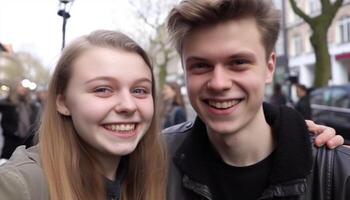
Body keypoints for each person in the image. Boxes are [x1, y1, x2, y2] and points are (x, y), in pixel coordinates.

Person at [165, 0, 350, 199]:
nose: (219, 83)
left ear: (269, 67)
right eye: (200, 65)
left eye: (238, 62)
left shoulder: (337, 174)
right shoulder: (156, 158)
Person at [0, 30, 167, 200]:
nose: (129, 105)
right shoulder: (20, 186)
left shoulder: (158, 176)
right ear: (63, 102)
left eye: (140, 90)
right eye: (103, 89)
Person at [0, 80, 39, 159]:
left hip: (26, 140)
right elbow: (4, 123)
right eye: (20, 86)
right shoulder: (8, 103)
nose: (23, 89)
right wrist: (14, 132)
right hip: (11, 139)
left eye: (24, 87)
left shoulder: (31, 105)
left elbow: (33, 120)